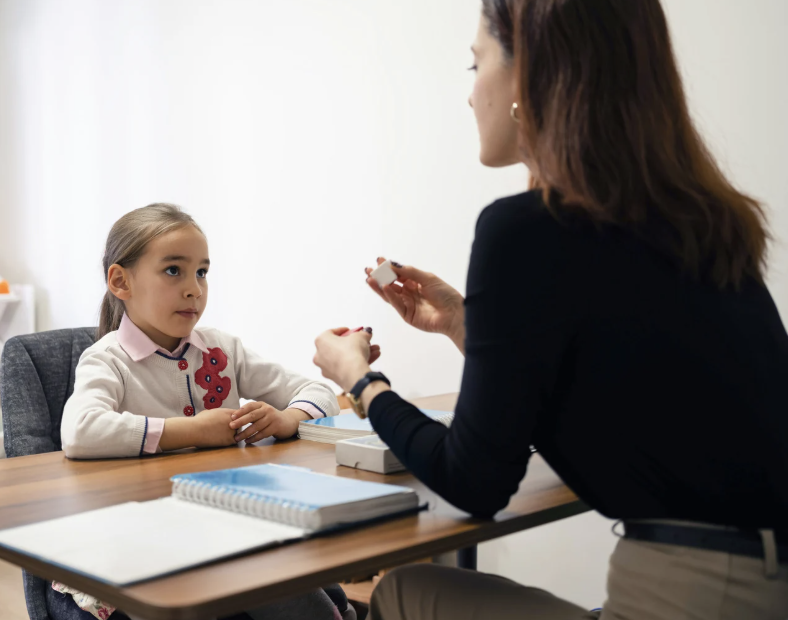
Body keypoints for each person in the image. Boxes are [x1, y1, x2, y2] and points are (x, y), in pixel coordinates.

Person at [312, 0, 788, 618]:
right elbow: (614, 391)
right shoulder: (701, 224)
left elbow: (474, 482)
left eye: (476, 64)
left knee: (404, 589)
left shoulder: (524, 231)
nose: (470, 94)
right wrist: (464, 322)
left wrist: (360, 380)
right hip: (761, 586)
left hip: (697, 596)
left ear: (529, 75)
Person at [58, 203, 349, 620]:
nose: (194, 288)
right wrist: (193, 430)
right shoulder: (107, 360)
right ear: (121, 281)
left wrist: (288, 418)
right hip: (148, 537)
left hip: (228, 520)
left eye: (202, 272)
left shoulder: (222, 348)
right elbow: (80, 432)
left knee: (302, 577)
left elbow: (319, 391)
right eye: (173, 270)